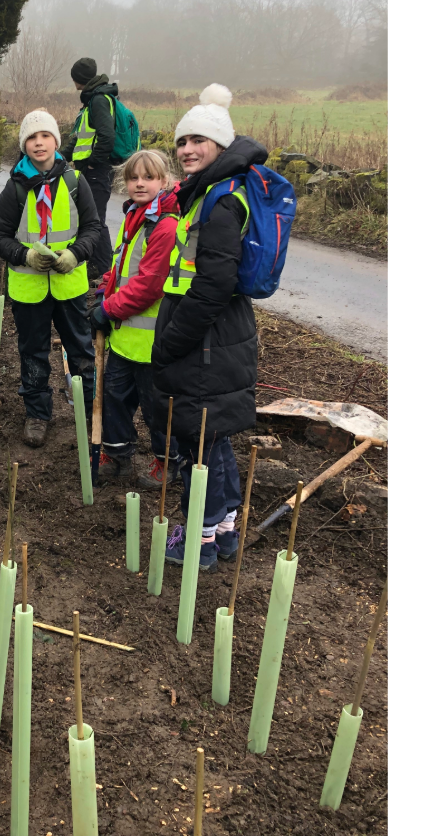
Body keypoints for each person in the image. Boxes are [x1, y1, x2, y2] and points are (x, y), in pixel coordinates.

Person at [150, 84, 268, 569]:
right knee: (212, 439)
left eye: (199, 140)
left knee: (197, 442)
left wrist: (170, 343)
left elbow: (212, 288)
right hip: (215, 338)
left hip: (205, 343)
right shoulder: (215, 193)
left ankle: (196, 542)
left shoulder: (220, 204)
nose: (187, 150)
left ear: (220, 145)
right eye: (182, 141)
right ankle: (222, 531)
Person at [0, 109, 100, 447]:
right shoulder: (15, 188)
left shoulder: (75, 182)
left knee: (81, 350)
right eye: (32, 139)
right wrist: (25, 256)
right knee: (33, 353)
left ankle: (89, 412)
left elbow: (93, 228)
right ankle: (38, 414)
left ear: (56, 141)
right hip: (29, 290)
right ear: (24, 146)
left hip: (69, 288)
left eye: (45, 136)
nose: (39, 143)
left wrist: (75, 254)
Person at [88, 148, 188, 489]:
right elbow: (123, 270)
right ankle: (117, 456)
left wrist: (108, 309)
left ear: (164, 181)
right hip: (125, 337)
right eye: (134, 178)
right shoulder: (137, 218)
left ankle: (168, 462)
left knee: (156, 408)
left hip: (152, 342)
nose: (140, 183)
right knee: (115, 397)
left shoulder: (164, 225)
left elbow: (149, 285)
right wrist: (106, 288)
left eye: (148, 177)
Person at [67, 57, 121, 285]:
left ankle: (104, 268)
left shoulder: (98, 100)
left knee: (96, 218)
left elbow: (107, 136)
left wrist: (92, 162)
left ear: (79, 79)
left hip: (97, 170)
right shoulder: (91, 100)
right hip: (89, 170)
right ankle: (97, 265)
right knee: (90, 216)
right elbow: (79, 139)